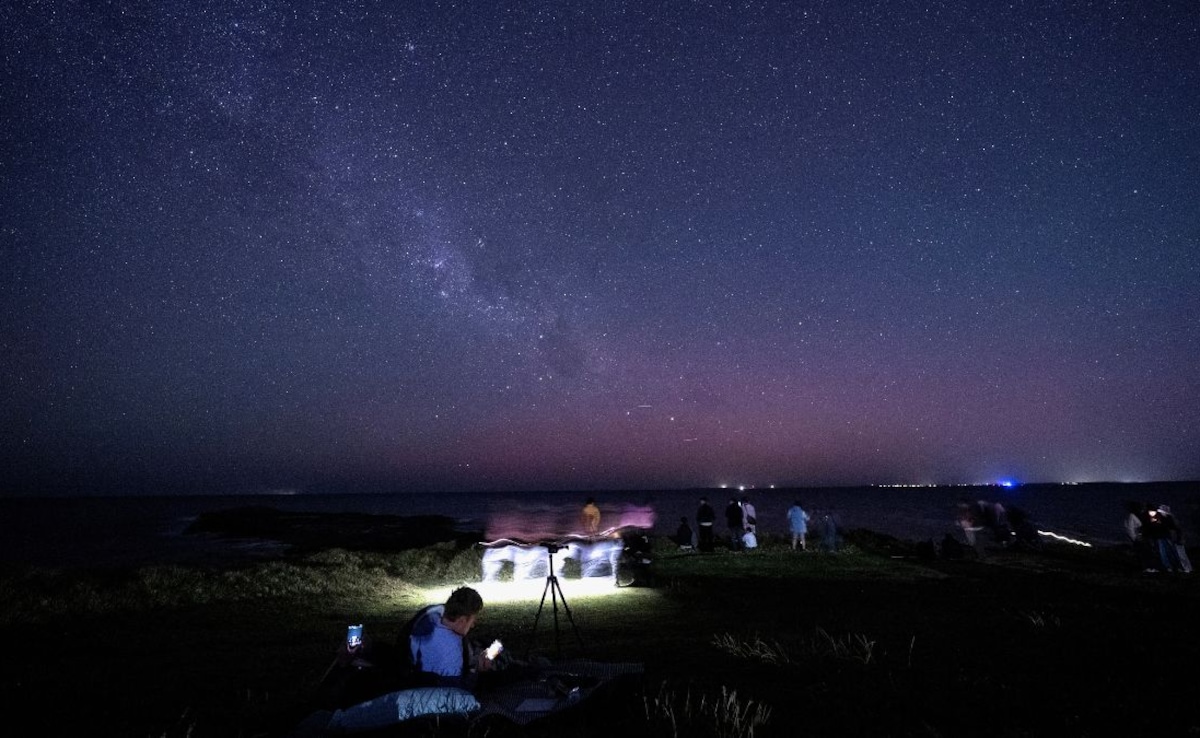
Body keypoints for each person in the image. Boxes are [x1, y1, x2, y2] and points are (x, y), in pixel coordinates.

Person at [409, 586, 495, 689]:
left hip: (409, 672)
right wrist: (475, 668)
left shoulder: (431, 612)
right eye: (472, 621)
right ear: (462, 620)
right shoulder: (451, 654)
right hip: (430, 692)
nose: (473, 626)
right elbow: (458, 695)